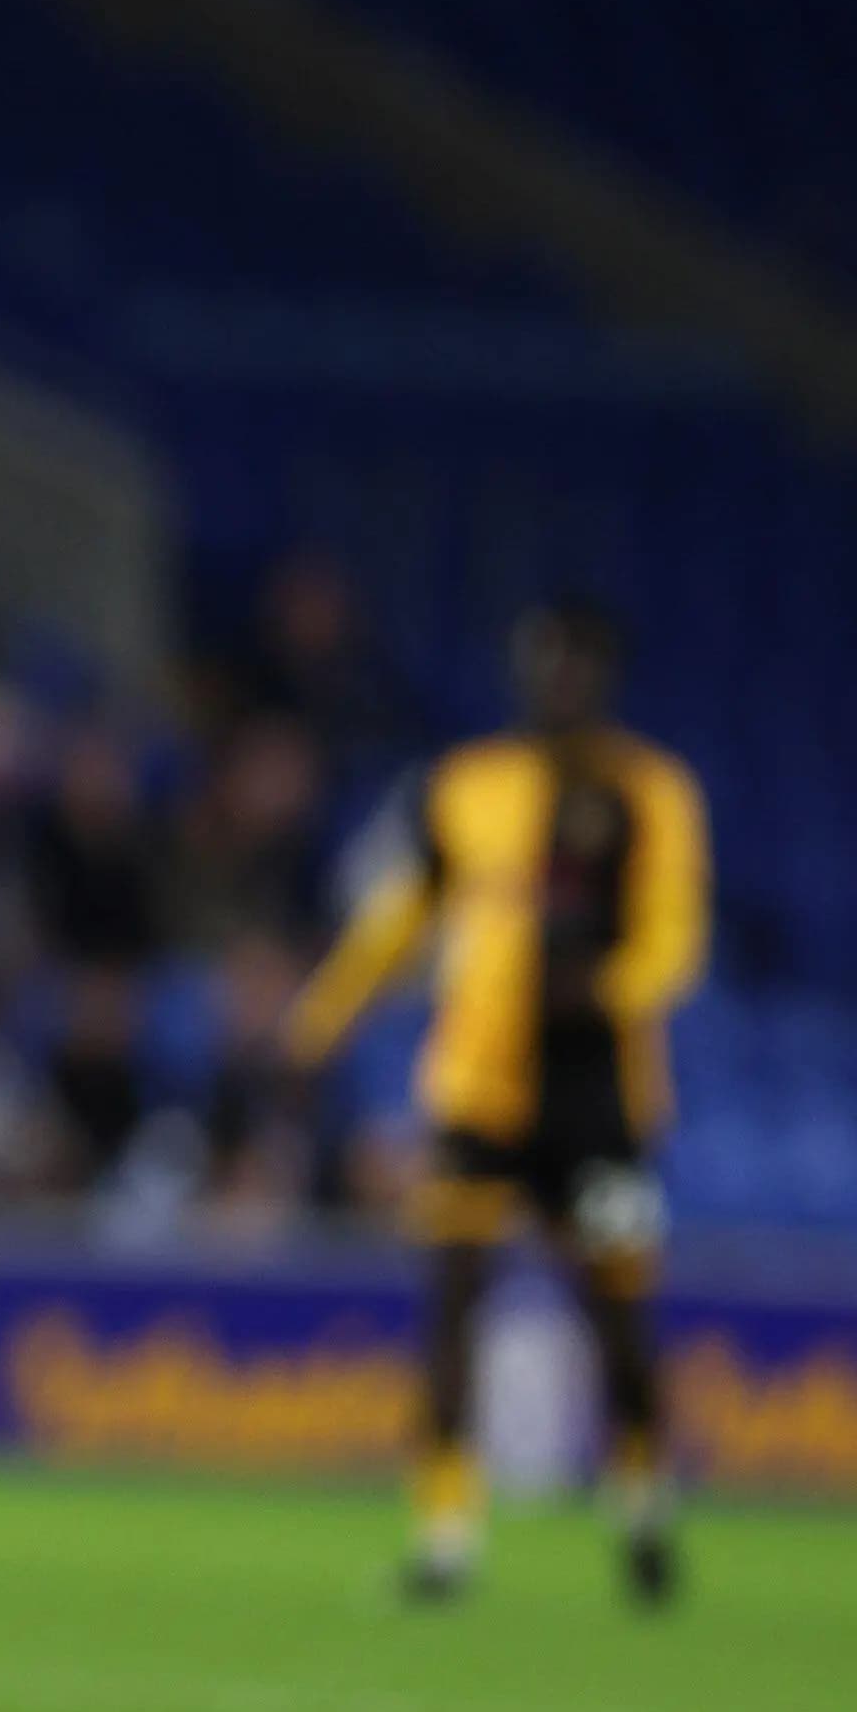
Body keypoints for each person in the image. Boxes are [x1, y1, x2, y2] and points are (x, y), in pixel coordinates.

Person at [283, 600, 708, 1606]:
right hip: (478, 1093)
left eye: (577, 663)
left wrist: (605, 989)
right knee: (452, 1303)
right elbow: (402, 915)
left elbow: (674, 935)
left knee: (617, 1307)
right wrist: (321, 1020)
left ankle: (643, 1507)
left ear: (604, 675)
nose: (559, 680)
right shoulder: (467, 785)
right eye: (544, 661)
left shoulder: (651, 791)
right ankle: (446, 1538)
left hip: (603, 1102)